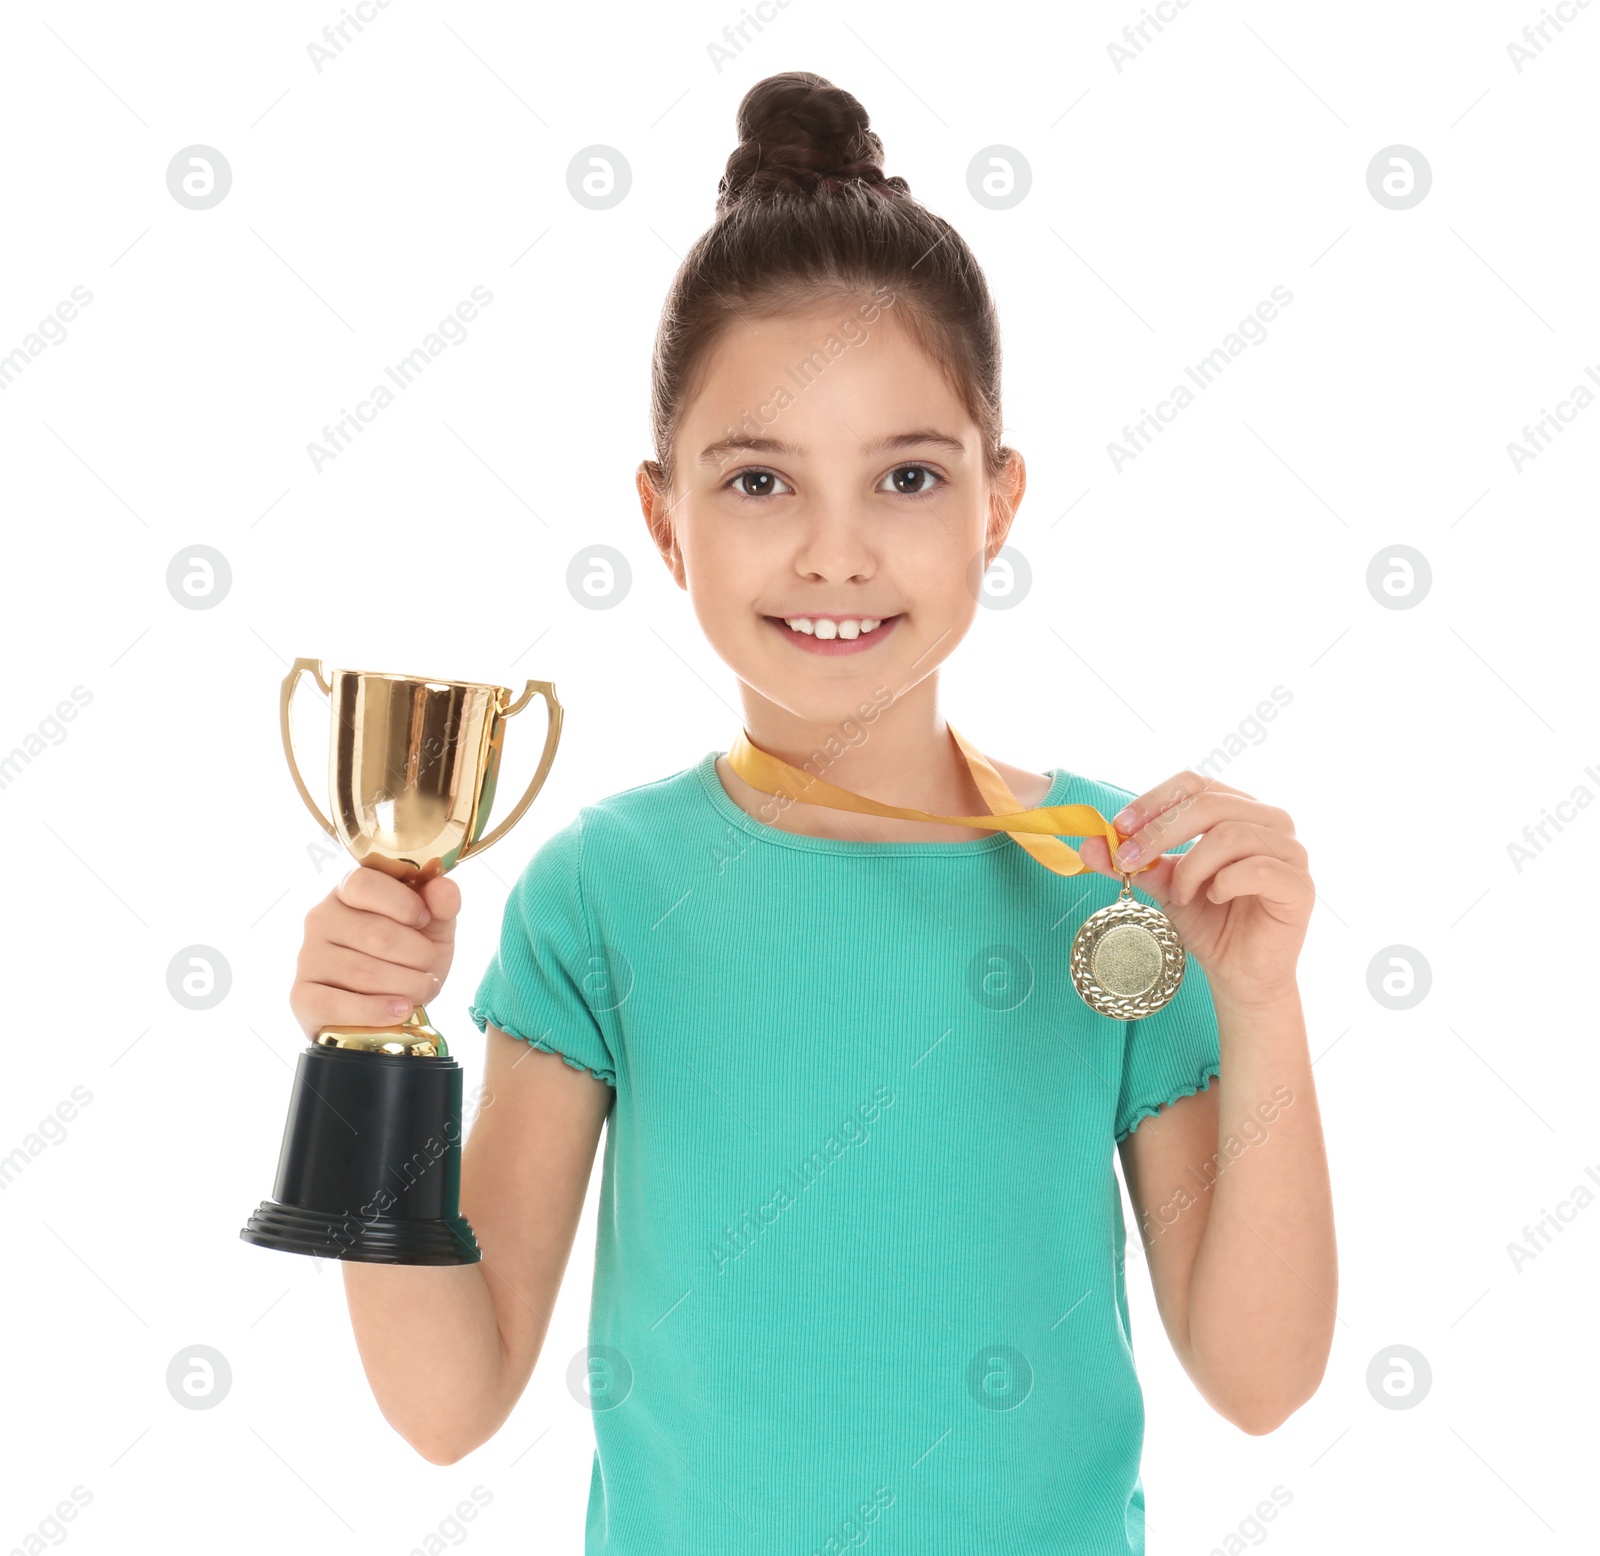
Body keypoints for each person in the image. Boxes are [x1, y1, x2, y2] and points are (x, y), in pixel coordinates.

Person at [290, 70, 1335, 1556]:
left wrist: (1263, 999)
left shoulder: (1122, 885)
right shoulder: (601, 893)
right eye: (762, 479)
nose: (835, 554)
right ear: (664, 521)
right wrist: (368, 1050)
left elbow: (1262, 1378)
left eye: (907, 476)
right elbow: (446, 1401)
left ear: (999, 502)